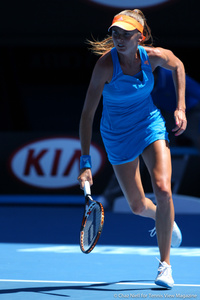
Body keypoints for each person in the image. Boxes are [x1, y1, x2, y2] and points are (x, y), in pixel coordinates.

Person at [78, 9, 187, 289]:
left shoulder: (155, 56)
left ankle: (165, 266)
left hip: (149, 125)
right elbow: (87, 115)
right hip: (116, 135)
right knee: (138, 206)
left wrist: (180, 107)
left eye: (127, 34)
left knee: (163, 189)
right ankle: (163, 218)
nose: (120, 38)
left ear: (141, 36)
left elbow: (178, 67)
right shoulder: (104, 66)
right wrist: (85, 162)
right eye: (115, 33)